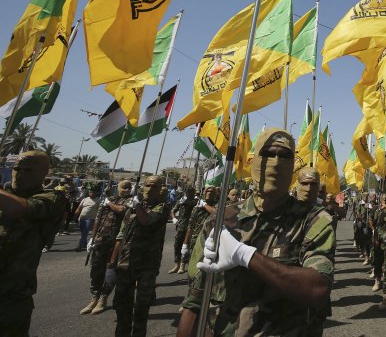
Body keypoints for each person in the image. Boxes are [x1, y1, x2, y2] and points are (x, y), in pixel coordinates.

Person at [177, 128, 335, 336]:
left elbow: (318, 288)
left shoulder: (312, 219)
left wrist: (245, 255)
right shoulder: (220, 221)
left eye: (284, 155)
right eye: (268, 154)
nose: (276, 162)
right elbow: (195, 299)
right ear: (255, 160)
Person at [0, 151, 66, 335]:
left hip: (11, 296)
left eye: (27, 169)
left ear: (43, 173)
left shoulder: (52, 198)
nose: (18, 173)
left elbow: (21, 209)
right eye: (16, 168)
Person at [107, 175, 169, 336]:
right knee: (122, 307)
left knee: (141, 309)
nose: (149, 189)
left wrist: (136, 206)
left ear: (160, 189)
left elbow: (146, 220)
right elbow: (121, 236)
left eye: (154, 186)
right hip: (125, 263)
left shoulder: (162, 207)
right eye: (147, 185)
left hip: (147, 266)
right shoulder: (132, 208)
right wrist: (111, 265)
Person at [81, 180, 133, 316]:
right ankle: (94, 296)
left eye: (128, 187)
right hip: (100, 239)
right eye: (124, 187)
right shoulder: (108, 199)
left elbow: (121, 210)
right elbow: (98, 219)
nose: (126, 189)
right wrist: (92, 237)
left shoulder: (131, 201)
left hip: (116, 241)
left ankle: (103, 298)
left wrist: (109, 204)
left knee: (110, 270)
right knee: (96, 269)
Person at [169, 187, 197, 274]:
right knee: (177, 245)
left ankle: (182, 265)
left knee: (186, 246)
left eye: (191, 192)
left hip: (190, 227)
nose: (189, 193)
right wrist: (174, 219)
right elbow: (173, 210)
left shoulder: (196, 202)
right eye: (188, 192)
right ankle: (176, 265)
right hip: (180, 226)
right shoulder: (181, 201)